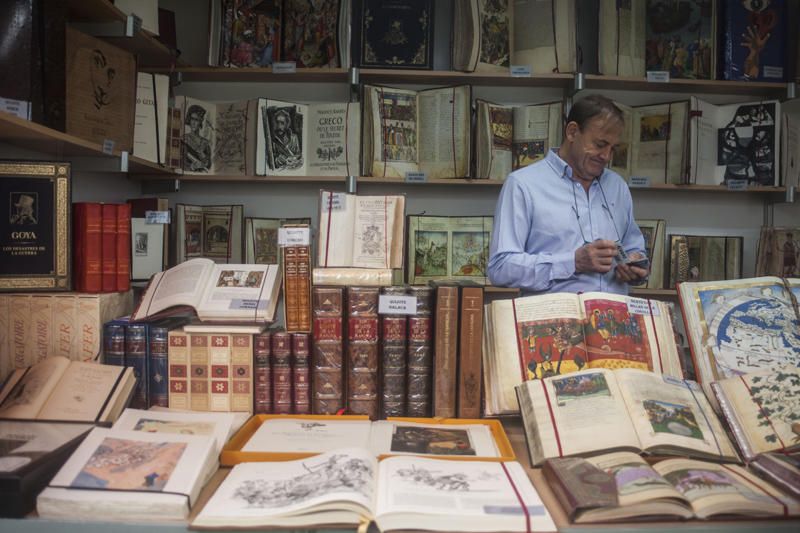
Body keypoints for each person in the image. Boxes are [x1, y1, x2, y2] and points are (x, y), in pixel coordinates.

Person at [488, 95, 649, 295]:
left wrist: (636, 266)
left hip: (613, 321)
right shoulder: (523, 185)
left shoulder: (618, 186)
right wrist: (572, 262)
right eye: (600, 145)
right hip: (552, 321)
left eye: (613, 148)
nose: (607, 156)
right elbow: (501, 268)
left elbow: (636, 250)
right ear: (572, 132)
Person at [183, 105, 212, 172]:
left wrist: (203, 157)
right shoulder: (184, 139)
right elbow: (180, 163)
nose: (193, 123)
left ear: (200, 122)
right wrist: (192, 167)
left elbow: (209, 165)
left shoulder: (205, 143)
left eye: (196, 120)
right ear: (189, 120)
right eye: (192, 119)